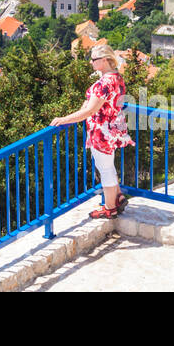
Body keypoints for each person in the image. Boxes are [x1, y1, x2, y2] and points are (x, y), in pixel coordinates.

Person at [50, 44, 134, 219]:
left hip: (101, 130)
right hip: (113, 127)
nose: (91, 62)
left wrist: (63, 120)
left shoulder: (103, 83)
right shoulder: (117, 78)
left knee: (105, 168)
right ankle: (117, 197)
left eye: (94, 59)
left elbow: (89, 111)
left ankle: (110, 207)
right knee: (108, 165)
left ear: (104, 60)